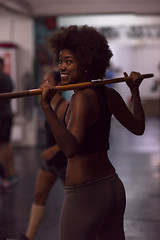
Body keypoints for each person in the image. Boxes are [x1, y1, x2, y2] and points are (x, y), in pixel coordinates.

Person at [38, 25, 145, 240]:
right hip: (112, 187)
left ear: (87, 63)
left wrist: (47, 107)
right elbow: (138, 127)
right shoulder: (109, 94)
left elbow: (70, 148)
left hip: (86, 194)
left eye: (69, 61)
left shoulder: (81, 98)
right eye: (60, 61)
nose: (62, 67)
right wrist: (135, 91)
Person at [18, 71, 68, 240]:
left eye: (47, 80)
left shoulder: (64, 106)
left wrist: (53, 150)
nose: (43, 82)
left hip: (66, 162)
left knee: (75, 201)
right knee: (39, 196)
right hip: (50, 162)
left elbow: (73, 138)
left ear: (58, 86)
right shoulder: (49, 104)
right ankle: (28, 237)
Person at [0, 57, 17, 188]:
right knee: (6, 144)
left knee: (2, 146)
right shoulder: (7, 78)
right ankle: (11, 174)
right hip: (7, 113)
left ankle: (4, 176)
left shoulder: (2, 78)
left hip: (2, 115)